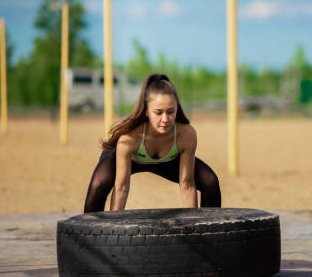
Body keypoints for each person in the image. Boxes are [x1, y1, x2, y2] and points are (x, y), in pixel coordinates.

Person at [83, 74, 221, 212]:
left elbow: (187, 185)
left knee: (210, 181)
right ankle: (87, 231)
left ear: (177, 108)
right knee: (100, 182)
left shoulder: (186, 134)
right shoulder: (128, 137)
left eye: (170, 111)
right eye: (158, 112)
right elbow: (121, 189)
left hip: (168, 160)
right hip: (131, 159)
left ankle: (209, 230)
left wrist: (193, 226)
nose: (165, 119)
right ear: (147, 111)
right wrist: (115, 227)